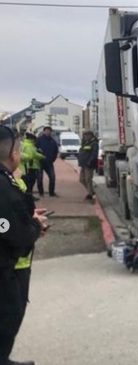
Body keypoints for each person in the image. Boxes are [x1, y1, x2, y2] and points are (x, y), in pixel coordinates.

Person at [0, 125, 48, 365]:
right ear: (13, 154)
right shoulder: (4, 187)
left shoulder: (8, 182)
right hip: (7, 267)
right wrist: (35, 226)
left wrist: (26, 218)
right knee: (8, 317)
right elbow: (7, 230)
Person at [36, 127, 58, 197]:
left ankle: (51, 193)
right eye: (46, 131)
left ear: (51, 132)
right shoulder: (39, 140)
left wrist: (52, 159)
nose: (48, 132)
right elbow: (35, 150)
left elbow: (55, 152)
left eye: (49, 131)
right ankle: (41, 193)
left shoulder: (53, 141)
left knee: (52, 177)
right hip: (40, 162)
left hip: (49, 162)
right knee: (39, 178)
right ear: (44, 131)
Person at [78, 130, 99, 200]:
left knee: (88, 179)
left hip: (89, 165)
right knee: (81, 179)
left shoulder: (94, 143)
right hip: (83, 165)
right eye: (84, 136)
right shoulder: (85, 143)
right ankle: (91, 192)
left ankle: (91, 194)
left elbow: (94, 154)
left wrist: (89, 162)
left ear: (90, 135)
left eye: (86, 135)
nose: (85, 137)